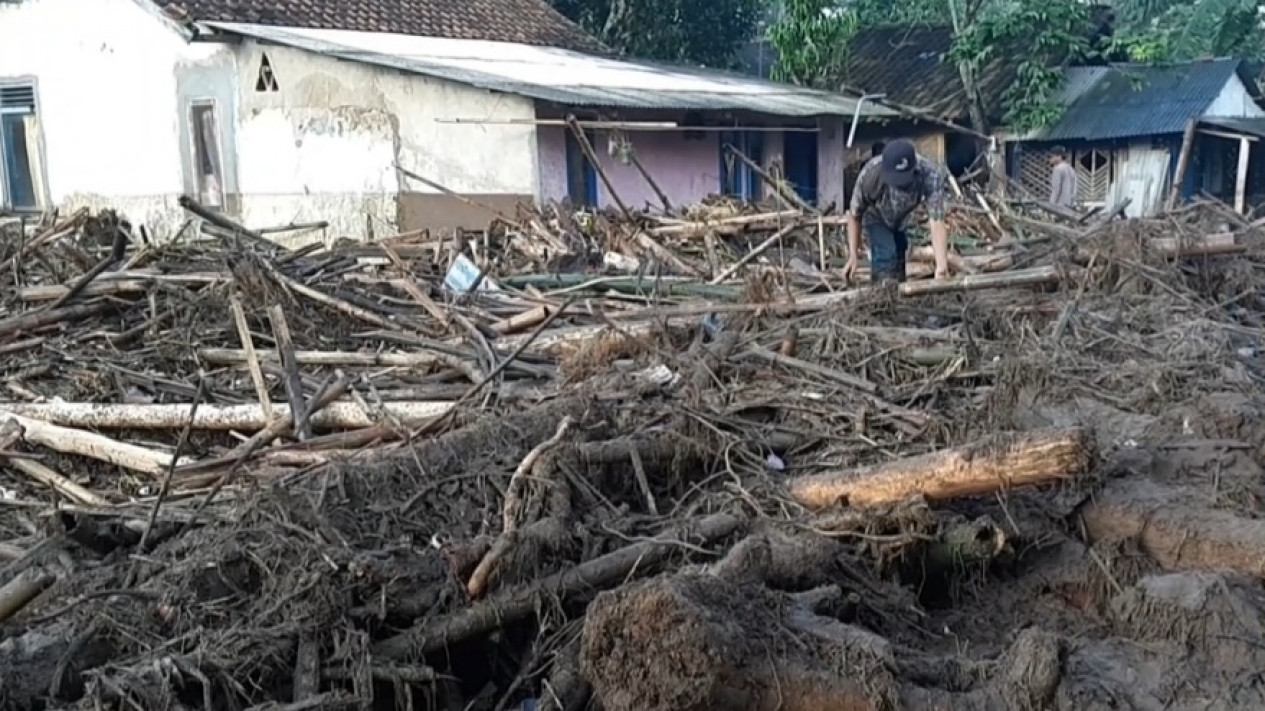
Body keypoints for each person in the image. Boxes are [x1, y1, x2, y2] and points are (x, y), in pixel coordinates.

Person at [845, 139, 951, 283]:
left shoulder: (929, 175)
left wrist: (941, 266)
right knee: (886, 257)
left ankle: (899, 298)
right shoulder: (870, 175)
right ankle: (881, 296)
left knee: (900, 257)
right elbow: (854, 215)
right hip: (876, 215)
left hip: (902, 218)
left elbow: (937, 220)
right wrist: (853, 256)